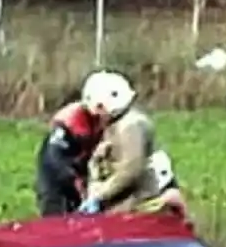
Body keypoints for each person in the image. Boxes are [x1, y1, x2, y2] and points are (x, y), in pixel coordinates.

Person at [78, 72, 161, 215]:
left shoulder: (131, 126)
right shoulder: (116, 125)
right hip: (123, 204)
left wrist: (100, 195)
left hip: (137, 205)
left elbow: (131, 169)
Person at [34, 76, 113, 216]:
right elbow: (55, 159)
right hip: (56, 171)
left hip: (79, 167)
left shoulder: (102, 120)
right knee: (55, 210)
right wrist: (75, 181)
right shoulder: (68, 122)